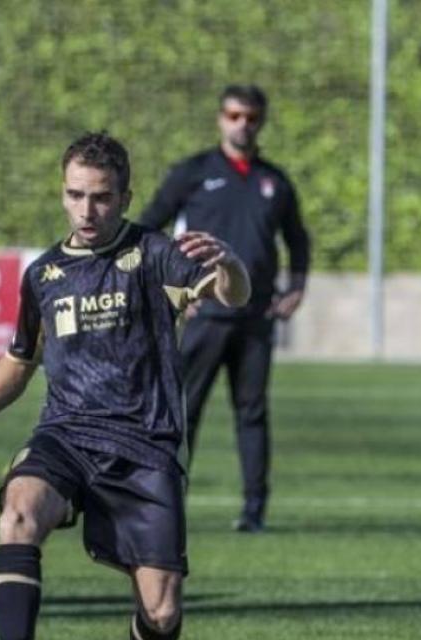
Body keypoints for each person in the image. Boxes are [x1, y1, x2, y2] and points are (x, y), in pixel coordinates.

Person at [0, 132, 249, 640]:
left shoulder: (157, 255)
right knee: (19, 512)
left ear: (125, 197)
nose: (87, 211)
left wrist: (231, 265)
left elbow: (230, 296)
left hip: (145, 447)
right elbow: (20, 358)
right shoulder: (44, 274)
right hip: (66, 433)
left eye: (101, 198)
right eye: (75, 195)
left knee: (161, 612)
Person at [138, 84, 311, 533]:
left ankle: (254, 511)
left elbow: (297, 238)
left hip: (255, 319)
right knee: (184, 410)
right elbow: (147, 230)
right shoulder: (193, 172)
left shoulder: (275, 181)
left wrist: (296, 286)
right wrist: (170, 289)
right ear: (221, 118)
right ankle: (170, 503)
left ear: (261, 121)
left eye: (251, 117)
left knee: (252, 414)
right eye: (235, 115)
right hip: (204, 317)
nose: (243, 124)